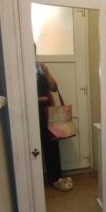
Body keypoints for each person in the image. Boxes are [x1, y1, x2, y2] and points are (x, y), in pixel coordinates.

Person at [36, 59, 73, 191]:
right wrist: (39, 99)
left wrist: (46, 71)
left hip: (47, 112)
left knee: (51, 144)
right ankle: (36, 180)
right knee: (33, 146)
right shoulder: (22, 71)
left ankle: (56, 178)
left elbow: (54, 88)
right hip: (31, 111)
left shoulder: (41, 72)